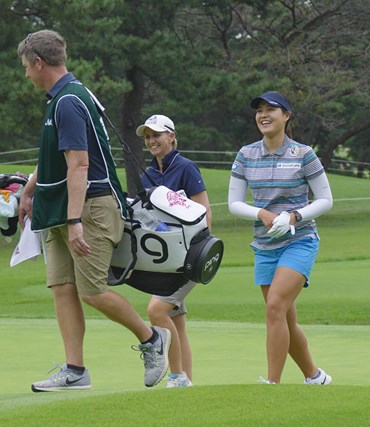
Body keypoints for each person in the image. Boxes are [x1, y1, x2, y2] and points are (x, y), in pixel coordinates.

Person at [16, 29, 170, 392]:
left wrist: (73, 222)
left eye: (26, 67)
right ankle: (75, 370)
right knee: (63, 288)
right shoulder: (60, 99)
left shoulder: (69, 101)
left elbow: (80, 166)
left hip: (90, 208)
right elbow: (53, 159)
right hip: (60, 209)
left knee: (91, 290)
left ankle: (152, 339)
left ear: (39, 63)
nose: (26, 74)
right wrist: (28, 190)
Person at [228, 91, 333, 385]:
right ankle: (314, 376)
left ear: (286, 116)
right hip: (264, 244)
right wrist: (261, 213)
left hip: (300, 240)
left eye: (271, 109)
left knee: (275, 307)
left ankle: (272, 384)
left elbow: (325, 199)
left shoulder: (303, 154)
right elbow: (234, 203)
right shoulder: (246, 154)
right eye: (259, 110)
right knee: (284, 316)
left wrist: (294, 216)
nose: (263, 115)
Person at [136, 114, 212, 388]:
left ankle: (177, 376)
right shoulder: (148, 173)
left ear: (171, 136)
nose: (151, 140)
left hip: (191, 255)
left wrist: (197, 252)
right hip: (165, 257)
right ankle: (186, 381)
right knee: (176, 321)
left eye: (156, 134)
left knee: (157, 310)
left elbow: (204, 214)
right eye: (147, 136)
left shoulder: (186, 168)